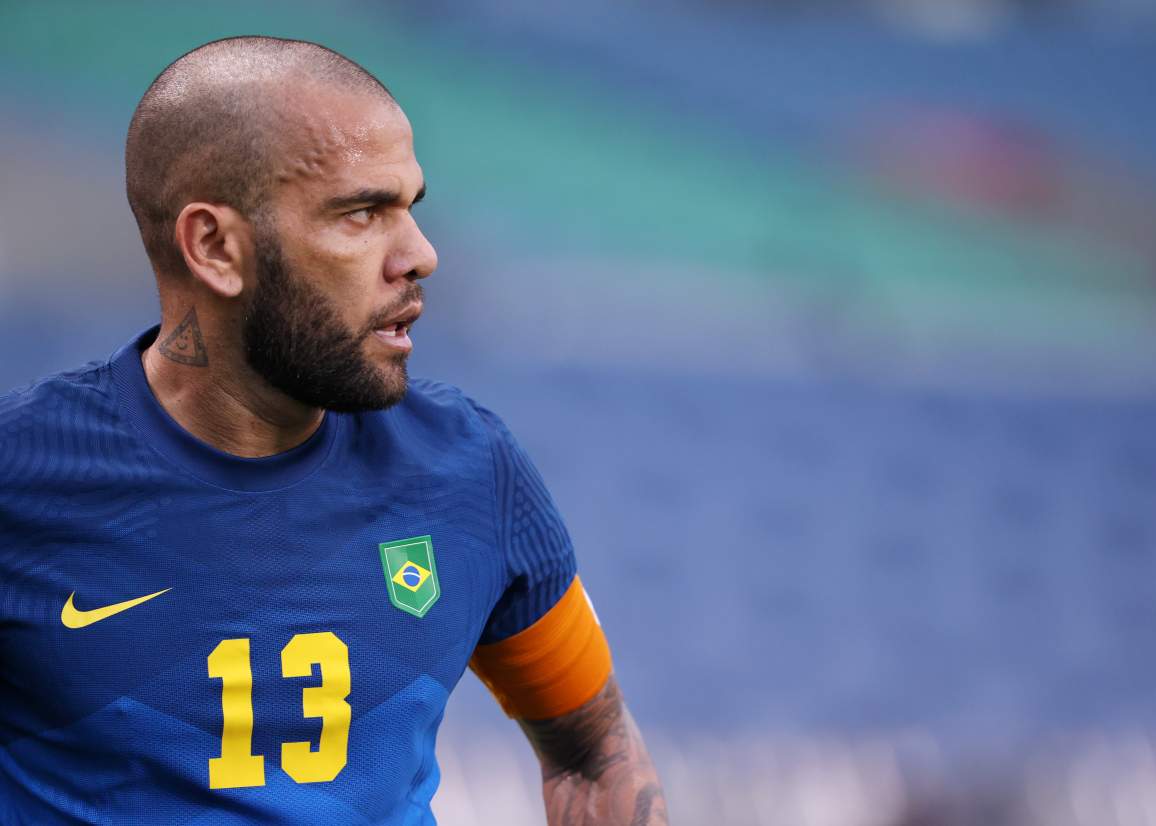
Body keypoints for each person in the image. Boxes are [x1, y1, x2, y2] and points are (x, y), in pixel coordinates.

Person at [0, 36, 668, 826]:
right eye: (362, 213)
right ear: (215, 248)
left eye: (410, 207)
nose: (421, 255)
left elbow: (594, 756)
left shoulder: (470, 468)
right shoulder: (23, 481)